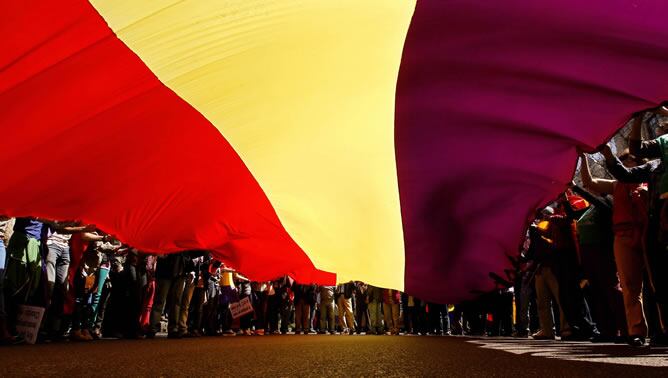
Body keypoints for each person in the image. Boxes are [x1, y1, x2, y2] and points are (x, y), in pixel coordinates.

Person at [580, 150, 645, 345]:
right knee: (630, 286)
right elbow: (590, 182)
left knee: (656, 284)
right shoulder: (616, 185)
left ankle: (661, 329)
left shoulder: (651, 178)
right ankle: (636, 332)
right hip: (622, 236)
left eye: (627, 161)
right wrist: (582, 158)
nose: (622, 165)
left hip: (647, 233)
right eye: (620, 161)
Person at [625, 106, 668, 346]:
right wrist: (639, 116)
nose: (661, 126)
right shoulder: (662, 145)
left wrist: (664, 112)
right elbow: (636, 149)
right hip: (663, 212)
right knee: (661, 275)